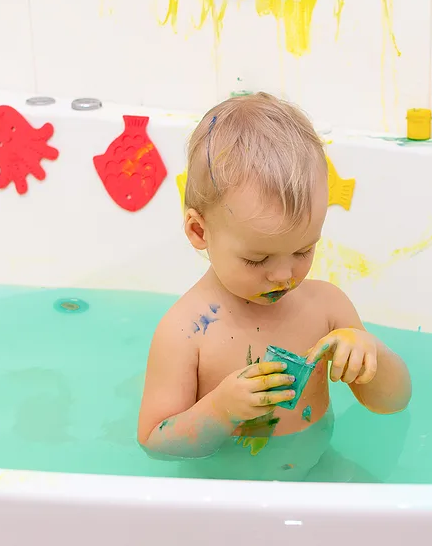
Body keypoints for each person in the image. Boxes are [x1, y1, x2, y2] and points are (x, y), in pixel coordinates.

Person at [136, 92, 411, 480]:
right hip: (227, 490)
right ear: (199, 231)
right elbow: (155, 443)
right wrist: (220, 410)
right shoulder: (184, 333)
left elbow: (394, 403)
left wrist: (371, 353)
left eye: (303, 250)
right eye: (257, 259)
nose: (284, 276)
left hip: (317, 466)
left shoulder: (327, 309)